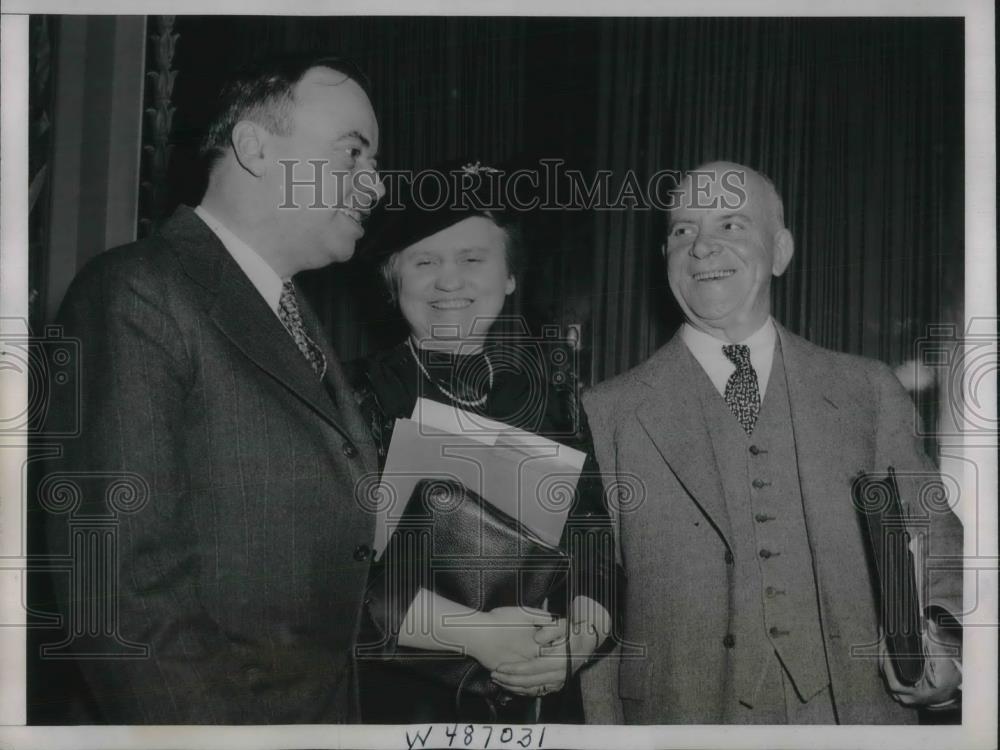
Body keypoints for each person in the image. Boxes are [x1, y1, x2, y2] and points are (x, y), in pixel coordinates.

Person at [35, 55, 385, 723]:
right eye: (353, 155)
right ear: (255, 147)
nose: (374, 185)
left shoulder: (290, 318)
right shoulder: (136, 294)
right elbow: (122, 604)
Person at [580, 161, 964, 724]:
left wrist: (945, 647)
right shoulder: (604, 412)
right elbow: (594, 605)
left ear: (781, 251)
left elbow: (936, 539)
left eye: (730, 226)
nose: (703, 248)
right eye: (683, 230)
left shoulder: (866, 388)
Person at [348, 161, 618, 723]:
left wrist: (580, 641)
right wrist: (476, 635)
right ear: (393, 280)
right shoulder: (354, 394)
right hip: (402, 703)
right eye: (425, 262)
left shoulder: (553, 394)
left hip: (540, 700)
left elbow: (593, 542)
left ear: (510, 277)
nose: (450, 281)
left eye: (473, 259)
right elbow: (330, 573)